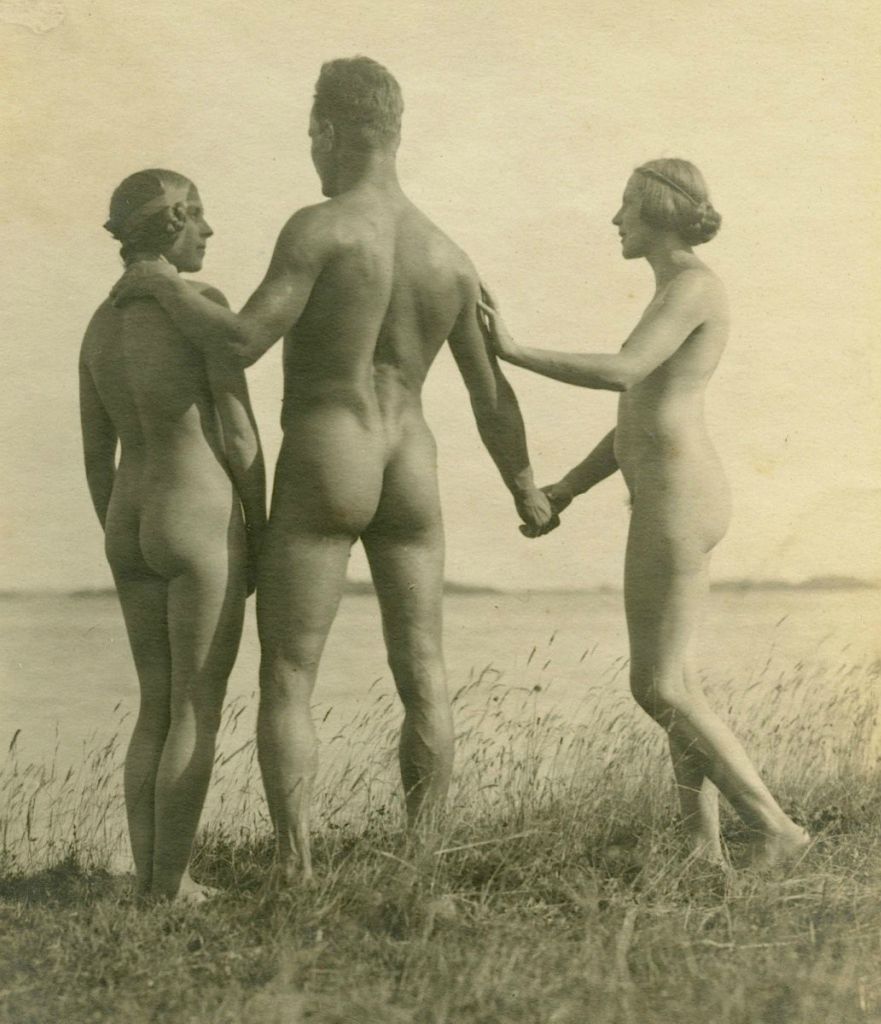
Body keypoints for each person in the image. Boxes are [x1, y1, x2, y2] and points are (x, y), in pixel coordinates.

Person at [110, 58, 554, 882]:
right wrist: (523, 485)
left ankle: (297, 866)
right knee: (424, 673)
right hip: (411, 460)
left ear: (328, 130)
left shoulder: (318, 229)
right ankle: (423, 866)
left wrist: (158, 286)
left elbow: (243, 340)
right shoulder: (449, 254)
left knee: (288, 674)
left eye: (312, 136)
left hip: (329, 450)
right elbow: (490, 394)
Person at [479, 159, 810, 867]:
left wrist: (513, 350)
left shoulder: (691, 286)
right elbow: (636, 414)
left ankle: (775, 829)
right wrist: (566, 489)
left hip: (678, 498)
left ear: (657, 209)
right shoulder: (678, 288)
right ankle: (702, 847)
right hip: (678, 494)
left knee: (654, 686)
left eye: (625, 204)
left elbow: (623, 372)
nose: (615, 219)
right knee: (676, 682)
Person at [80, 169, 266, 900]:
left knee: (154, 706)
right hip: (196, 515)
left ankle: (151, 878)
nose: (209, 232)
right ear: (173, 221)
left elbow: (95, 453)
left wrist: (119, 533)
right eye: (200, 217)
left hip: (128, 519)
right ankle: (169, 887)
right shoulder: (201, 307)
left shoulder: (99, 324)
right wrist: (261, 529)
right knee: (195, 706)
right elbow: (240, 437)